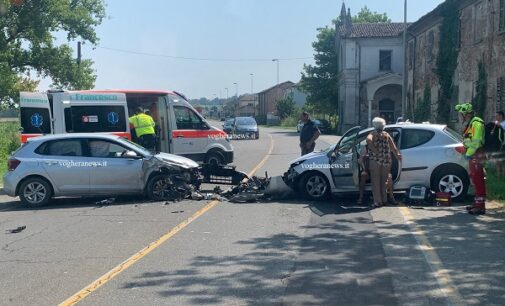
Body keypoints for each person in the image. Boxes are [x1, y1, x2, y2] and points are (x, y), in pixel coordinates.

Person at [455, 103, 486, 215]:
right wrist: (465, 148)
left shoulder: (476, 124)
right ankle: (477, 203)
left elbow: (476, 142)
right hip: (473, 154)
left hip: (476, 155)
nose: (460, 116)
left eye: (461, 114)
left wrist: (467, 152)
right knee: (475, 179)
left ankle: (480, 207)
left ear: (466, 114)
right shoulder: (472, 123)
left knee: (478, 180)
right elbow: (469, 140)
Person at [366, 117, 402, 208]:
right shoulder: (386, 134)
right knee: (383, 181)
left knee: (375, 182)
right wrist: (397, 156)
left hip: (375, 161)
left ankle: (378, 202)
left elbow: (368, 141)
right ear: (383, 125)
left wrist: (375, 152)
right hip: (386, 161)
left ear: (374, 125)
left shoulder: (372, 134)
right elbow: (393, 148)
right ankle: (384, 200)